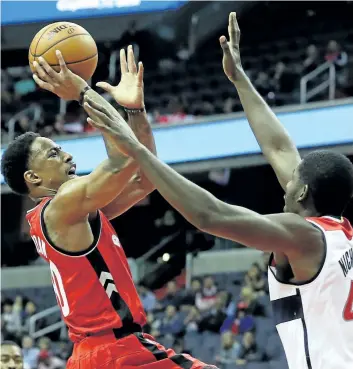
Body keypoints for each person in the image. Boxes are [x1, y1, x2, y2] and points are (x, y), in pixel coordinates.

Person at [82, 13, 353, 369]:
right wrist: (239, 79)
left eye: (291, 182)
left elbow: (211, 215)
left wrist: (132, 145)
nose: (285, 183)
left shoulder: (305, 235)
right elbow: (280, 149)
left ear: (302, 194)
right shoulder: (340, 233)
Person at [1, 47, 218, 369]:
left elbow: (145, 176)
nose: (68, 157)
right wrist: (83, 92)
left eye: (62, 149)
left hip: (99, 353)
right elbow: (122, 160)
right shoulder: (62, 205)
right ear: (32, 178)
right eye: (53, 154)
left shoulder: (75, 214)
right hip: (116, 351)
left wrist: (135, 111)